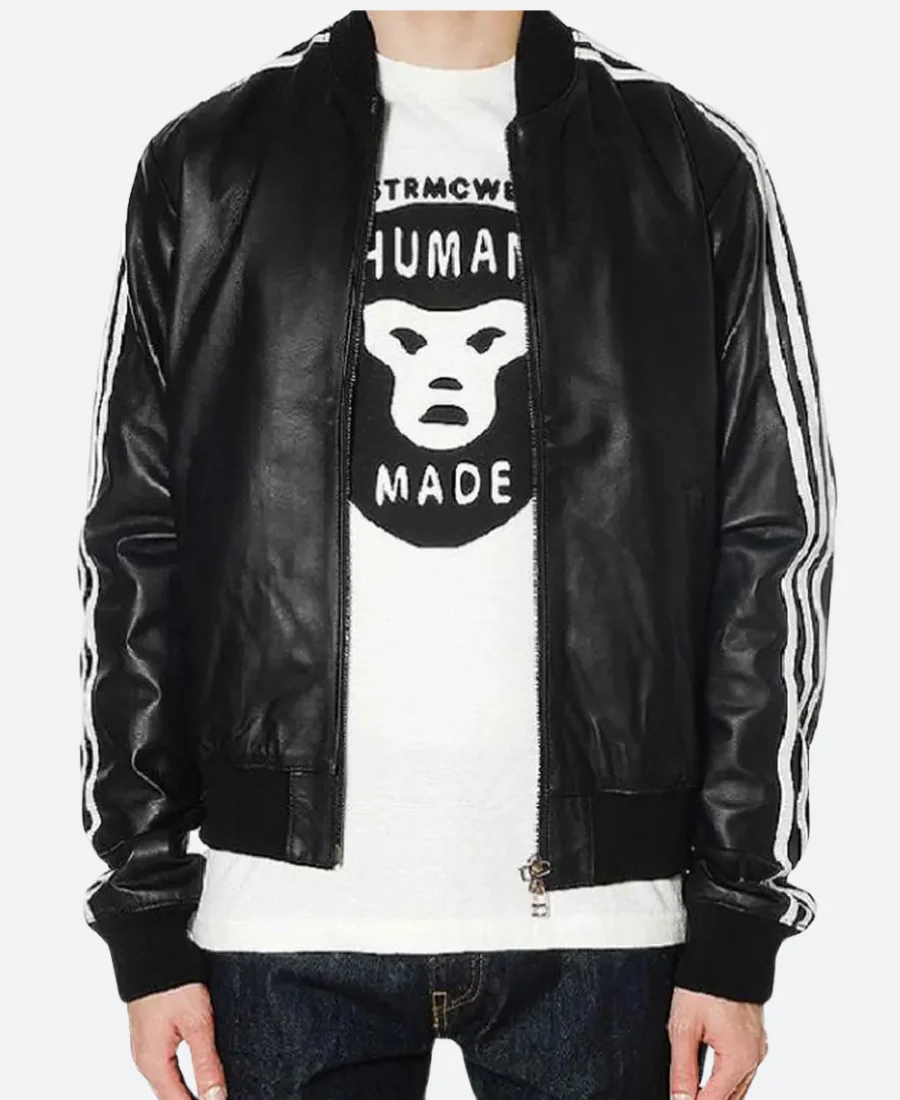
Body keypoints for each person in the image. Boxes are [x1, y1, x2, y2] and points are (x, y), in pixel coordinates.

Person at [77, 9, 836, 1100]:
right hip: (281, 920)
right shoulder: (208, 163)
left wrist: (738, 910)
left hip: (606, 923)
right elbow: (134, 541)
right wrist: (146, 905)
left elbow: (769, 543)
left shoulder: (685, 161)